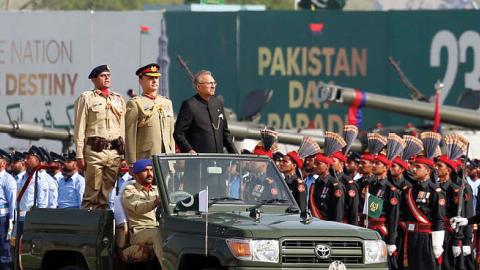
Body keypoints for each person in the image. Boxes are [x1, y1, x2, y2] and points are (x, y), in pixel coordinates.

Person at [74, 65, 126, 209]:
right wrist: (79, 155)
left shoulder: (118, 99)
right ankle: (87, 229)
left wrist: (123, 154)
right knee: (92, 194)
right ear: (94, 79)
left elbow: (122, 128)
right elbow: (79, 128)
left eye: (108, 75)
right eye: (103, 75)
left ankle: (102, 229)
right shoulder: (86, 98)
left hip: (114, 151)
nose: (107, 78)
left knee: (106, 196)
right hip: (95, 151)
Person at [174, 70, 237, 154]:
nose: (213, 86)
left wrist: (235, 155)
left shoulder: (217, 103)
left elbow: (225, 134)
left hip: (220, 161)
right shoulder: (189, 105)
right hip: (199, 161)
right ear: (198, 87)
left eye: (214, 83)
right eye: (209, 83)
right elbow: (178, 133)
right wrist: (189, 150)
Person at [399, 156, 445, 270]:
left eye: (418, 167)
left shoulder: (435, 191)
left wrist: (437, 244)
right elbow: (403, 212)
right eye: (413, 167)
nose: (414, 169)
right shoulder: (410, 190)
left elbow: (439, 218)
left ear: (428, 171)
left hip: (427, 238)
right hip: (410, 236)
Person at [125, 63, 175, 166]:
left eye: (157, 78)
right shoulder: (135, 103)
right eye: (150, 78)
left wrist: (173, 157)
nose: (155, 81)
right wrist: (131, 162)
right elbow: (130, 135)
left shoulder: (166, 102)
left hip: (167, 158)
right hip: (146, 158)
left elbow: (171, 133)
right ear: (140, 81)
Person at [122, 159, 163, 267]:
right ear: (136, 174)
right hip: (139, 232)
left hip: (158, 227)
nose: (149, 174)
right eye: (145, 171)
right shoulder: (130, 190)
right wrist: (155, 202)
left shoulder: (157, 189)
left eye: (151, 170)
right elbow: (137, 207)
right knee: (157, 233)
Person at [17, 146, 50, 237]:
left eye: (29, 158)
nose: (25, 161)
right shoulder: (23, 177)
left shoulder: (40, 179)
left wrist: (38, 222)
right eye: (25, 158)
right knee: (15, 247)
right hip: (20, 217)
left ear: (37, 161)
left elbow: (42, 204)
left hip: (31, 219)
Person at [308, 153, 345, 222]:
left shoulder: (335, 186)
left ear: (327, 166)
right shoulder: (315, 183)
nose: (314, 166)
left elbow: (338, 213)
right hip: (315, 223)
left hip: (329, 225)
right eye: (314, 163)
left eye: (318, 164)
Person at [331, 151, 359, 225]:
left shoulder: (348, 182)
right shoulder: (329, 180)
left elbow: (353, 209)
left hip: (342, 223)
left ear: (341, 164)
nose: (330, 163)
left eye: (333, 161)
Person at [0, 149, 16, 270]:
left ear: (3, 163)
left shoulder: (8, 179)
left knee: (5, 249)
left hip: (3, 219)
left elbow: (12, 202)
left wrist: (11, 222)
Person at [279, 151, 307, 216]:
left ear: (294, 165)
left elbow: (302, 208)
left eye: (285, 161)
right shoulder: (281, 181)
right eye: (281, 161)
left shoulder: (299, 184)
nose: (281, 163)